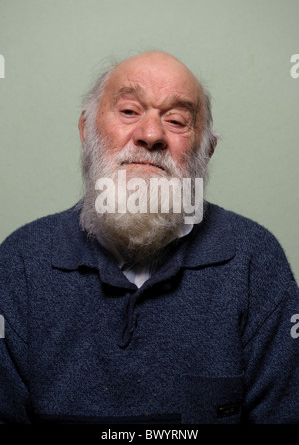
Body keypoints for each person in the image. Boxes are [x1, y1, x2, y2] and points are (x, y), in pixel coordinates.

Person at [0, 51, 298, 425]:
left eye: (176, 120)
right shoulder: (21, 262)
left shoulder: (254, 260)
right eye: (129, 111)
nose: (151, 135)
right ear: (86, 131)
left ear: (206, 151)